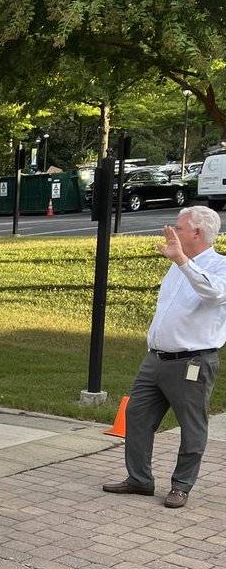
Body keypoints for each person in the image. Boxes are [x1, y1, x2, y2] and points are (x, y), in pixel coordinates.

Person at [103, 205, 226, 508]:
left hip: (192, 362)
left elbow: (213, 294)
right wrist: (180, 261)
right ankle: (140, 479)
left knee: (192, 426)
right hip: (156, 359)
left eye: (180, 227)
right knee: (137, 415)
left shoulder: (219, 266)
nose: (173, 230)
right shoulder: (176, 264)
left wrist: (182, 261)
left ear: (197, 232)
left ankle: (181, 486)